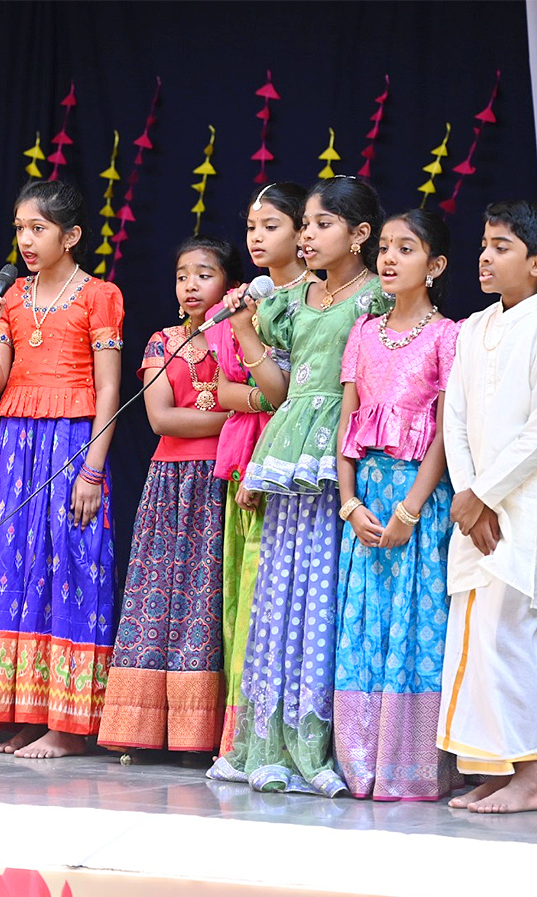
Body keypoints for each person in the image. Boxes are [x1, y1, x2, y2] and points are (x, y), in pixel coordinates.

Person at [208, 176, 391, 795]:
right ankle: (266, 740)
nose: (307, 236)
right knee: (278, 593)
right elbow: (281, 389)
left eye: (320, 225)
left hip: (338, 452)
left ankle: (319, 741)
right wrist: (244, 330)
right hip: (288, 446)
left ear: (360, 235)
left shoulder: (372, 301)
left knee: (321, 593)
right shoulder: (293, 298)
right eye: (305, 225)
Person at [0, 180, 123, 759]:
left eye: (38, 228)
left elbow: (108, 387)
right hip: (16, 443)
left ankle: (70, 724)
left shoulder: (99, 295)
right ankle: (28, 712)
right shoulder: (11, 299)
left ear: (72, 236)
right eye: (19, 229)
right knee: (17, 563)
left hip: (73, 442)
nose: (26, 240)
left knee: (71, 565)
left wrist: (92, 469)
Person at [332, 208, 460, 801]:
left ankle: (410, 767)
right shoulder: (363, 333)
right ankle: (360, 762)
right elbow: (347, 424)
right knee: (363, 624)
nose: (388, 258)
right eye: (384, 246)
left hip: (418, 501)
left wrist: (410, 510)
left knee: (415, 627)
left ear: (434, 266)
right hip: (366, 502)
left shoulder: (446, 337)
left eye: (406, 249)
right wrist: (348, 501)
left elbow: (443, 434)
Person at [97, 237, 235, 755]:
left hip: (224, 479)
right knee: (158, 597)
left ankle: (203, 735)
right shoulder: (163, 341)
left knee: (208, 599)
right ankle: (143, 729)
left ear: (230, 283)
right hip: (169, 484)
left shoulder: (243, 343)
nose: (191, 285)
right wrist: (242, 418)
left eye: (204, 273)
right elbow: (162, 418)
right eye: (183, 275)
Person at [439, 200, 537, 814]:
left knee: (510, 636)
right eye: (484, 243)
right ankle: (500, 768)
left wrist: (484, 494)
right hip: (476, 514)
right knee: (474, 641)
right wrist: (467, 496)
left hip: (523, 508)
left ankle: (530, 773)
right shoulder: (472, 329)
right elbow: (456, 421)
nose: (485, 255)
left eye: (502, 246)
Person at [211, 183, 303, 754]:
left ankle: (277, 730)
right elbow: (220, 386)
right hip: (240, 455)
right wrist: (257, 397)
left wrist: (260, 395)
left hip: (289, 458)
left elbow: (291, 392)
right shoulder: (250, 298)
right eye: (251, 227)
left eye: (271, 225)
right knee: (240, 596)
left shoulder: (314, 300)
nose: (257, 237)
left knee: (276, 597)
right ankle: (239, 736)